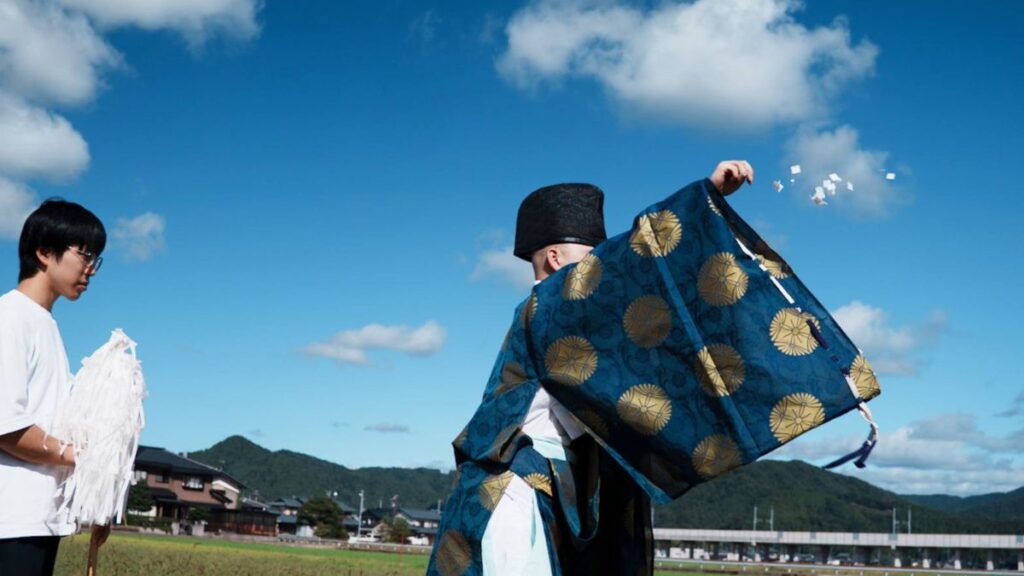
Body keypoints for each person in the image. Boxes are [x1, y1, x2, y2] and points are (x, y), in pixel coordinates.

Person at [426, 161, 881, 576]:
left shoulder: (578, 327)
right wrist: (706, 196)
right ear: (555, 261)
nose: (603, 276)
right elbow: (630, 263)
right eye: (592, 261)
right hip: (515, 495)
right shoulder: (547, 305)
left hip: (562, 493)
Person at [0, 199, 111, 575]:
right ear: (44, 252)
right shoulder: (11, 319)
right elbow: (7, 428)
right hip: (11, 521)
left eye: (96, 259)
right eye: (85, 255)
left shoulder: (44, 324)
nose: (91, 269)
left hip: (37, 519)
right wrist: (86, 459)